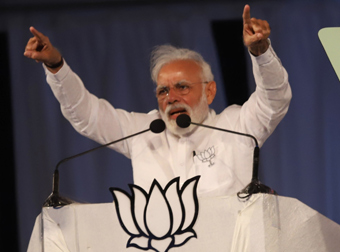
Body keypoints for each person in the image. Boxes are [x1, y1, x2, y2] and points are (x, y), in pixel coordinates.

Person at [24, 5, 291, 197]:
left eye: (182, 87)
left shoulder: (236, 125)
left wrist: (261, 53)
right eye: (163, 91)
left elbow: (274, 100)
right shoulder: (144, 132)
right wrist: (56, 66)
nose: (171, 97)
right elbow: (85, 115)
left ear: (209, 92)